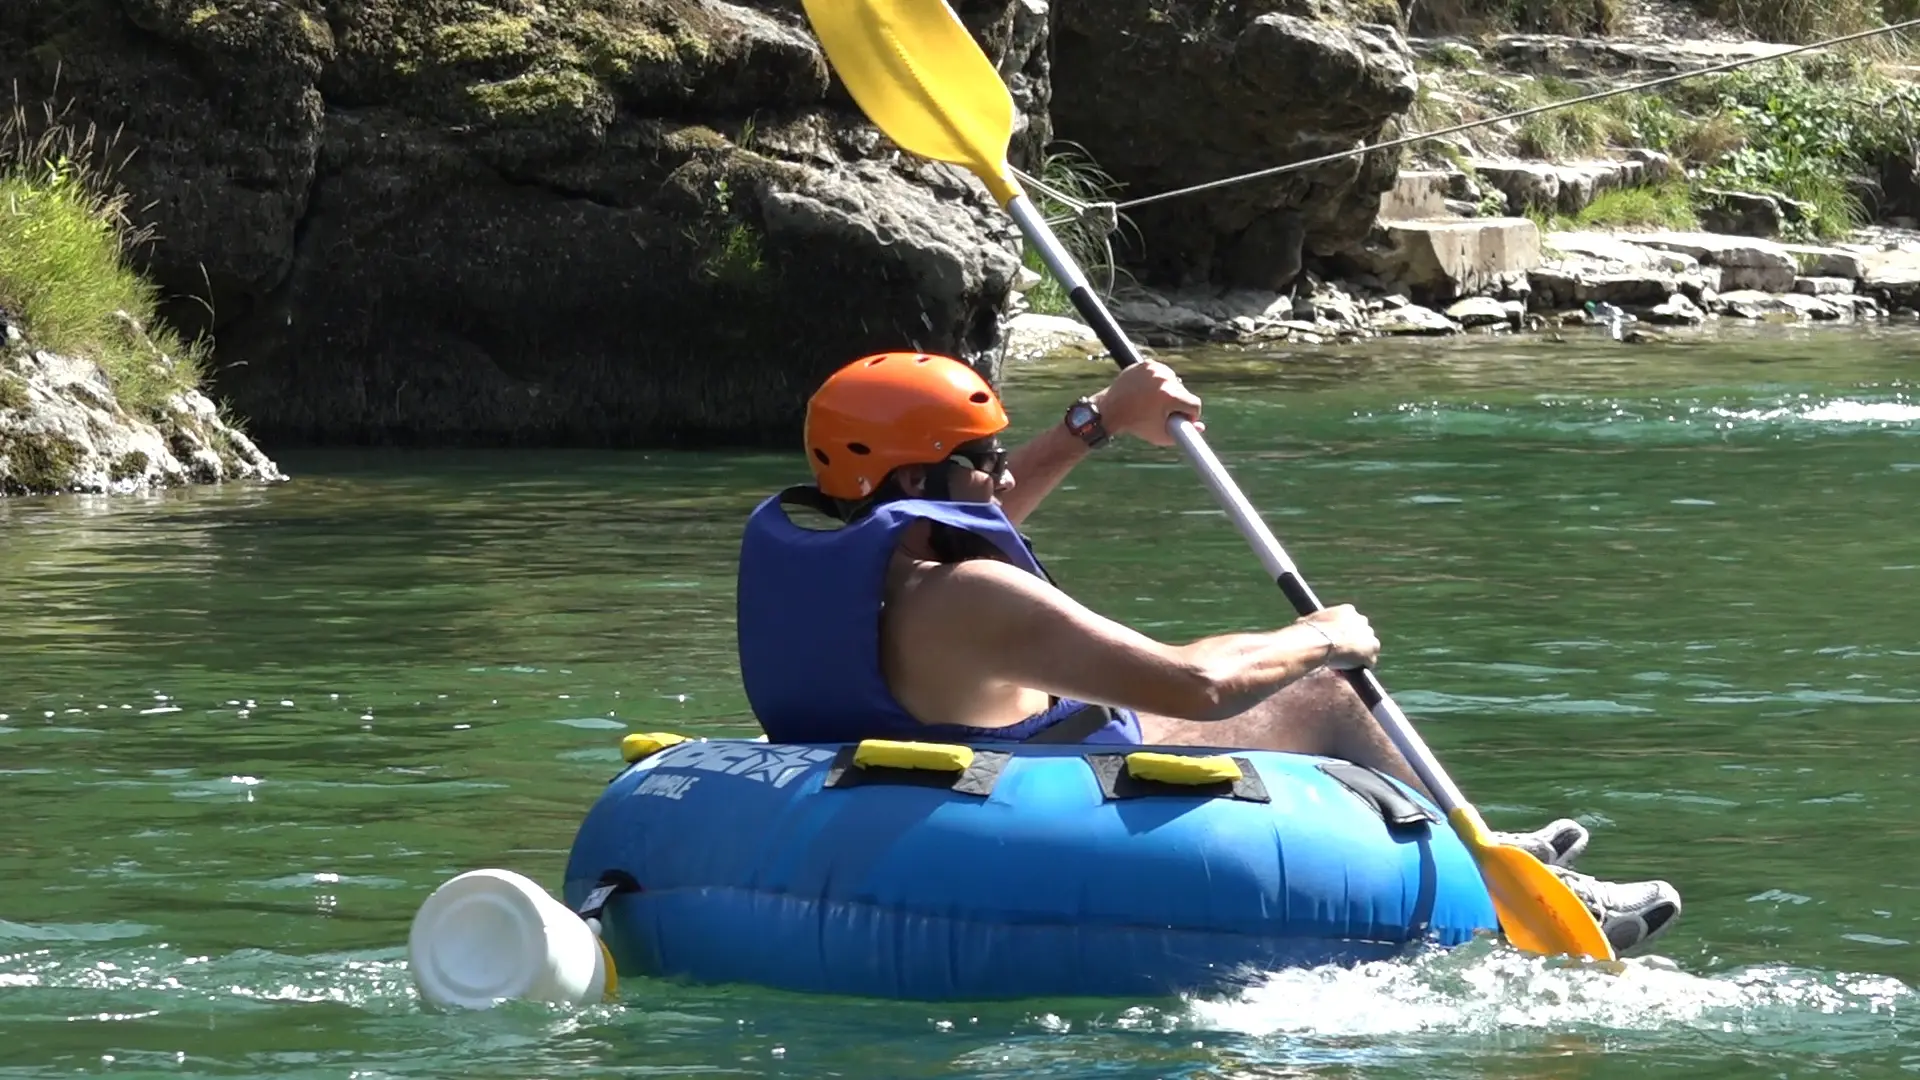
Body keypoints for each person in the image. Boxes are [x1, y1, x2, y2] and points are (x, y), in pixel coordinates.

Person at [735, 350, 1680, 956]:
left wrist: (1095, 421)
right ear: (918, 476)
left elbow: (974, 510)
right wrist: (1321, 639)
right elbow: (1202, 687)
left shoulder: (839, 566)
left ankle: (1494, 845)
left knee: (1239, 649)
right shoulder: (977, 596)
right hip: (1042, 783)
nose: (994, 473)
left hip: (893, 775)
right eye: (978, 456)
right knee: (1322, 694)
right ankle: (1496, 872)